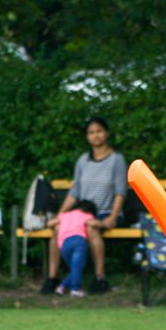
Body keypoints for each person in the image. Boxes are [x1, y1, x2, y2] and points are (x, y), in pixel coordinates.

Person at [40, 116, 127, 295]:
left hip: (106, 212)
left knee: (91, 228)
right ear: (87, 137)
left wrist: (112, 217)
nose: (96, 135)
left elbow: (121, 191)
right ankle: (52, 277)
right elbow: (74, 193)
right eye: (91, 132)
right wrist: (59, 216)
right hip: (82, 213)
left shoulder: (117, 160)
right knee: (57, 229)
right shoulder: (82, 161)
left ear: (107, 133)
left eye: (99, 131)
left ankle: (100, 278)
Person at [45, 200, 101, 297]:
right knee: (78, 267)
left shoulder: (64, 215)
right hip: (79, 241)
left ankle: (61, 287)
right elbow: (93, 223)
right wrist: (104, 224)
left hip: (64, 244)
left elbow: (49, 223)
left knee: (76, 268)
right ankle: (75, 289)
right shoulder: (86, 215)